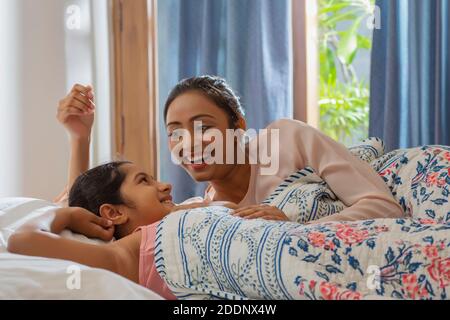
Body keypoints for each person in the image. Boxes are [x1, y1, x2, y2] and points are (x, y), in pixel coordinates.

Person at [55, 77, 404, 223]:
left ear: (238, 125)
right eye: (175, 133)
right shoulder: (202, 212)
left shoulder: (285, 140)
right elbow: (81, 208)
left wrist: (294, 227)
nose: (188, 144)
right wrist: (79, 138)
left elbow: (382, 205)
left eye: (204, 127)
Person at [9, 160, 233, 300]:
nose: (165, 185)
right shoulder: (129, 253)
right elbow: (22, 240)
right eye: (144, 181)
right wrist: (66, 214)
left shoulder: (190, 208)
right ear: (114, 214)